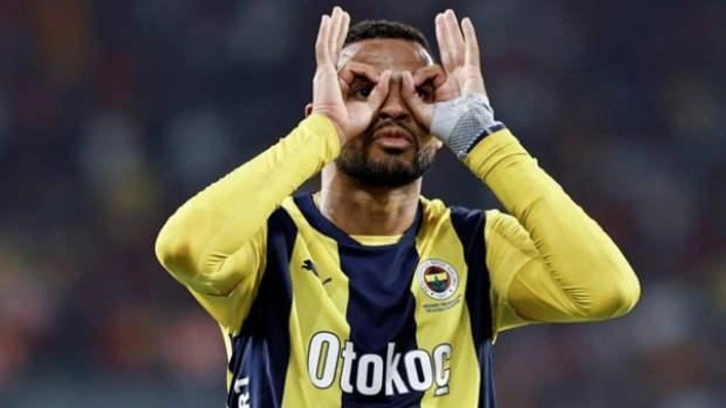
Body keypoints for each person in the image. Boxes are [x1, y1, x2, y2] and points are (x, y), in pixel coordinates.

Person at [155, 6, 641, 407]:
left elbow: (607, 291)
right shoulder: (268, 243)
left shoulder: (476, 246)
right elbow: (184, 249)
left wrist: (484, 140)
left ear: (440, 127)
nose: (391, 107)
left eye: (419, 92)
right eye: (362, 90)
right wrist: (323, 130)